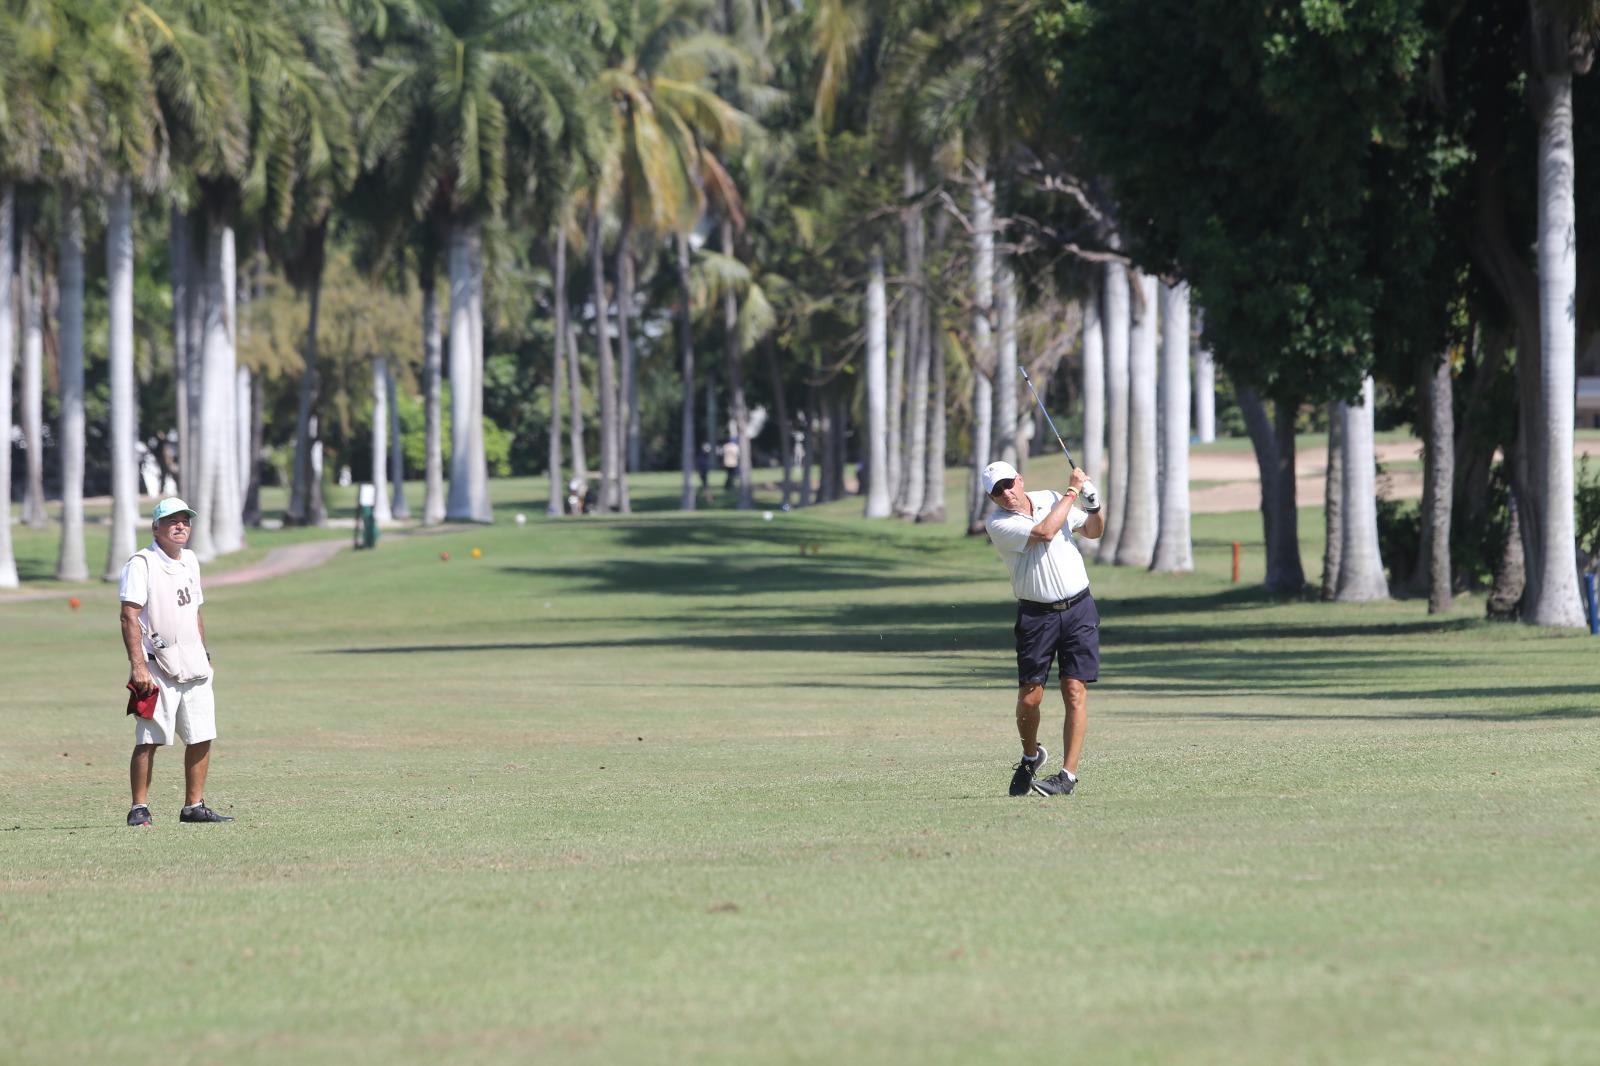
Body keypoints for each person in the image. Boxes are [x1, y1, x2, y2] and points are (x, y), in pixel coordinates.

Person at [981, 459, 1104, 797]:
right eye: (997, 491)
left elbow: (1093, 531)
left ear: (1019, 480)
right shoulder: (999, 524)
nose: (1006, 493)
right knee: (1030, 698)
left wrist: (1094, 506)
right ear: (992, 499)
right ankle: (1031, 754)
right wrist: (1073, 490)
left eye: (1008, 484)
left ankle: (1067, 777)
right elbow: (1045, 532)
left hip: (1079, 608)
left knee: (1075, 690)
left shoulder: (1051, 497)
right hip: (1037, 616)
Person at [118, 498, 233, 826]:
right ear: (156, 527)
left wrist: (205, 655)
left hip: (194, 663)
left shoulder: (191, 561)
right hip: (156, 665)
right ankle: (139, 808)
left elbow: (195, 611)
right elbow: (129, 616)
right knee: (149, 739)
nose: (180, 525)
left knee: (201, 734)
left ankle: (193, 806)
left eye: (185, 520)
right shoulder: (142, 563)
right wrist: (138, 666)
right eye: (172, 520)